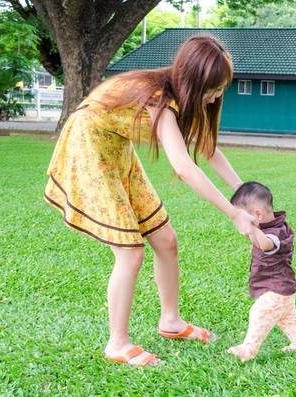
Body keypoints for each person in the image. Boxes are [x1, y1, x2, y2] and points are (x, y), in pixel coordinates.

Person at [44, 35, 259, 367]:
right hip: (88, 145)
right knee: (130, 253)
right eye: (212, 89)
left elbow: (208, 149)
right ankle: (117, 344)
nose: (217, 96)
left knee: (166, 240)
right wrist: (234, 215)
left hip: (117, 146)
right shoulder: (160, 102)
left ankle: (171, 322)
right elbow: (184, 167)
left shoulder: (182, 100)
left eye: (221, 89)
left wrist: (243, 193)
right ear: (193, 80)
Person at [226, 182, 296, 362]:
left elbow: (267, 244)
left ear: (257, 215)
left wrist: (251, 229)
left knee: (259, 312)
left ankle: (248, 349)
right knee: (287, 317)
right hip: (285, 287)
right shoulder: (278, 224)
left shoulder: (274, 234)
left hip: (277, 288)